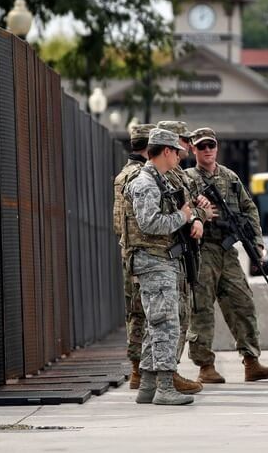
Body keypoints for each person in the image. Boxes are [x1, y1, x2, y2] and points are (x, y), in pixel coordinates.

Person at [185, 127, 268, 383]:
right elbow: (181, 209)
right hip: (201, 250)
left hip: (227, 251)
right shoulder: (186, 179)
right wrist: (200, 212)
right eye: (202, 146)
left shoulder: (230, 177)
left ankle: (252, 361)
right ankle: (205, 366)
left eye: (211, 145)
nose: (208, 150)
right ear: (193, 149)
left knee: (243, 303)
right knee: (202, 308)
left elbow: (249, 208)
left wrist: (257, 242)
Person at [123, 128, 203, 406]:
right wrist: (181, 217)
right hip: (154, 261)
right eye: (177, 153)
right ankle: (165, 388)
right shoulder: (146, 183)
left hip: (161, 261)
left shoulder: (159, 180)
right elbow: (150, 224)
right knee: (166, 324)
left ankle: (147, 386)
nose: (179, 158)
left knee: (155, 324)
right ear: (166, 151)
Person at [154, 120, 211, 394]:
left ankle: (169, 372)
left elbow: (192, 205)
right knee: (163, 319)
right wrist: (187, 217)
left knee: (180, 316)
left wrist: (197, 219)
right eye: (181, 142)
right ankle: (162, 376)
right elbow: (149, 222)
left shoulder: (176, 175)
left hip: (180, 252)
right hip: (158, 256)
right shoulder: (152, 178)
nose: (185, 147)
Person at [113, 123, 154, 389]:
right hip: (146, 250)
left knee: (134, 311)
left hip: (128, 249)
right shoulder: (143, 176)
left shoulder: (122, 175)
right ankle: (143, 368)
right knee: (149, 312)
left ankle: (136, 368)